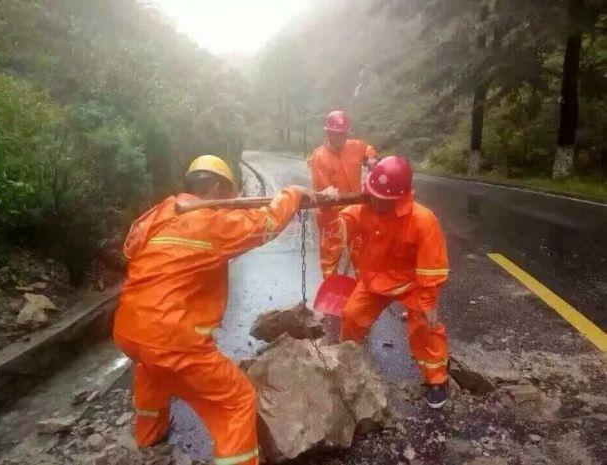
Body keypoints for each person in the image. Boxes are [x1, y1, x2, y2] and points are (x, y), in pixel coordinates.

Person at [113, 155, 325, 464]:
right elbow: (264, 224)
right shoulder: (209, 222)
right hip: (173, 338)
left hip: (130, 330)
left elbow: (130, 248)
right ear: (215, 187)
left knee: (151, 371)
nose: (232, 203)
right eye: (229, 194)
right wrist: (292, 193)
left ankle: (149, 436)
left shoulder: (161, 212)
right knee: (236, 402)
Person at [331, 155, 451, 409]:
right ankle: (348, 361)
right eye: (373, 195)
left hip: (412, 282)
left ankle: (437, 379)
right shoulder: (364, 208)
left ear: (401, 197)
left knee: (425, 327)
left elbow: (432, 265)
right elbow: (345, 220)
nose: (377, 203)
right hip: (375, 278)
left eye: (384, 200)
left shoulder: (423, 220)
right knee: (352, 316)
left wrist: (428, 301)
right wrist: (337, 218)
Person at [309, 110, 378, 278]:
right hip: (331, 212)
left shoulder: (355, 146)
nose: (339, 138)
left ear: (346, 133)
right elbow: (322, 188)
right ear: (328, 133)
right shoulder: (319, 157)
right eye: (335, 134)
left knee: (361, 251)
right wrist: (328, 192)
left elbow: (368, 148)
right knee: (330, 254)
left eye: (342, 134)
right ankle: (331, 290)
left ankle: (363, 289)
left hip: (356, 210)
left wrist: (371, 157)